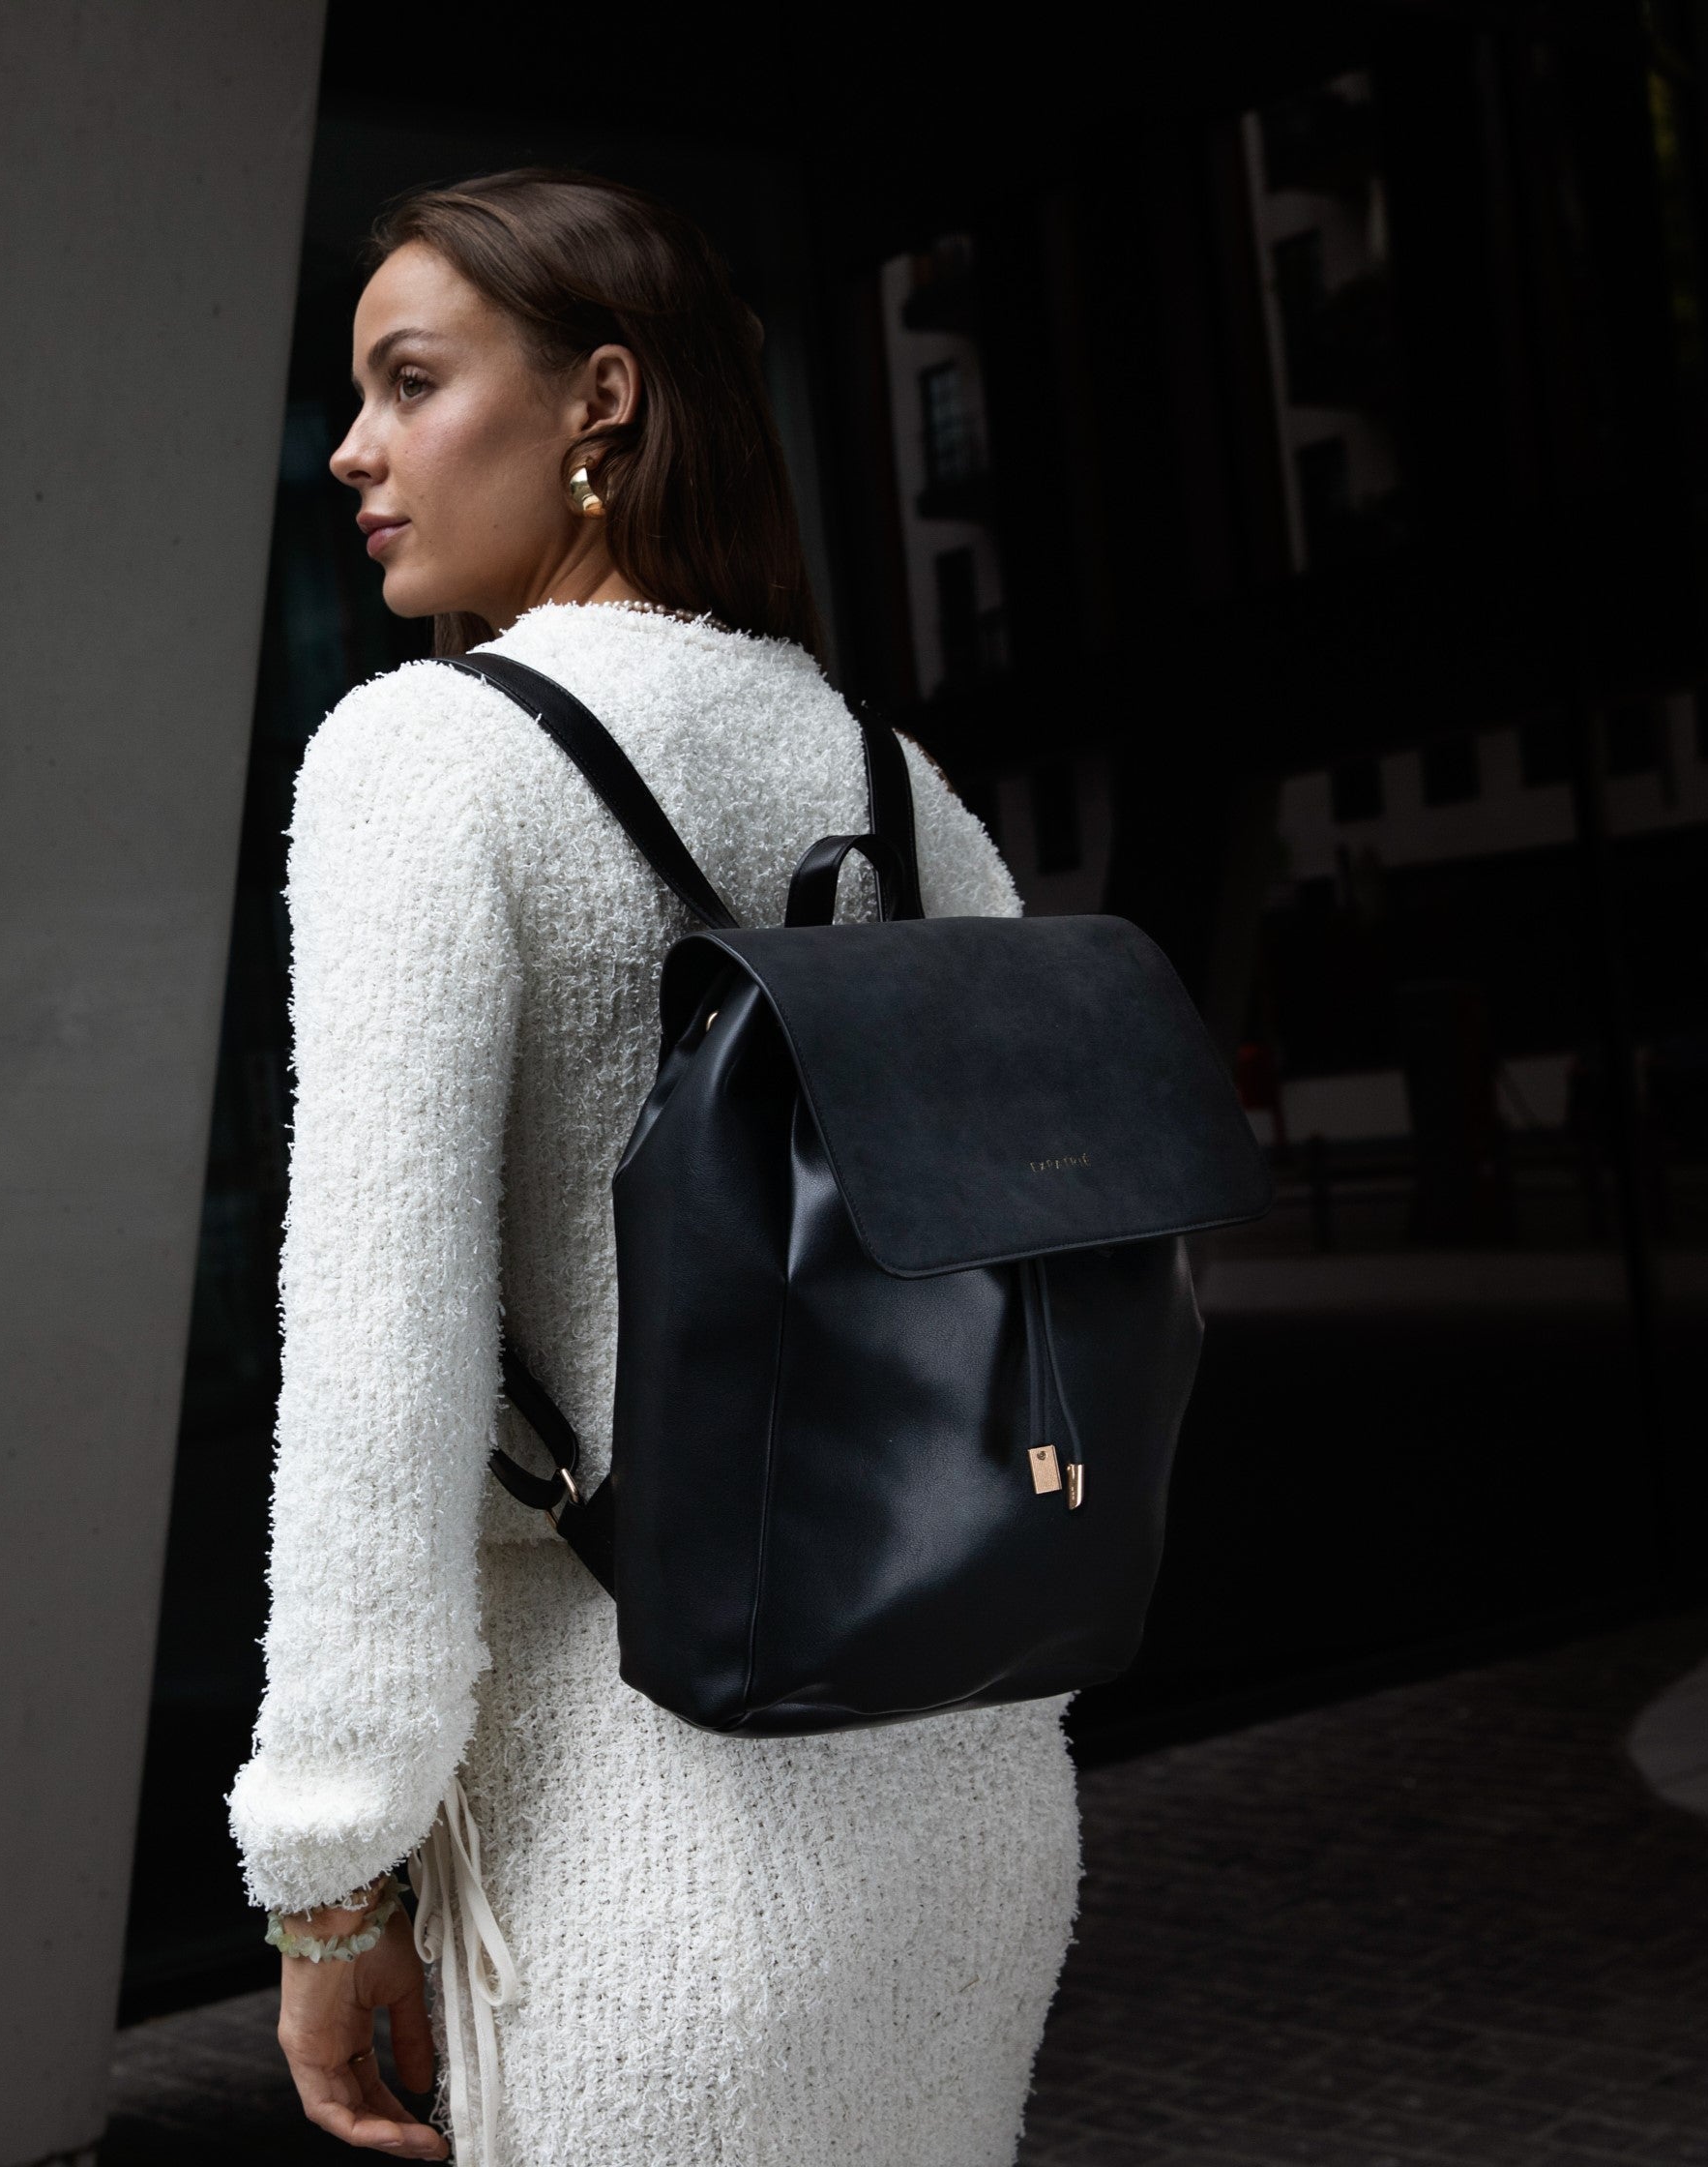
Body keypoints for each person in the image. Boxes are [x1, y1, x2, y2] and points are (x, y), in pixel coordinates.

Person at [228, 168, 1079, 2167]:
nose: (350, 448)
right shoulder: (891, 777)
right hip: (970, 1793)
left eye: (408, 382)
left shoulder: (419, 758)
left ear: (600, 399)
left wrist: (329, 1876)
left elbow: (378, 1362)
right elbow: (1072, 1283)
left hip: (640, 1828)